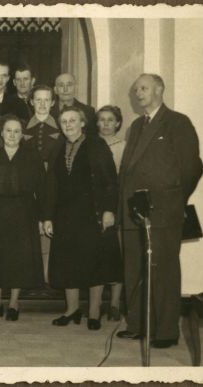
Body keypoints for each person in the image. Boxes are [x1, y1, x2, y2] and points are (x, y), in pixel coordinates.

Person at [117, 74, 203, 348]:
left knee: (163, 270)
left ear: (159, 90)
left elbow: (192, 168)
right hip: (135, 211)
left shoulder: (178, 123)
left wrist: (173, 200)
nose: (138, 93)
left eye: (143, 88)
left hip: (164, 211)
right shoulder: (137, 125)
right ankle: (138, 324)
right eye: (135, 89)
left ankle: (165, 331)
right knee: (135, 268)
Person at [43, 106, 119, 331]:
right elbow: (50, 185)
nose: (68, 125)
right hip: (64, 214)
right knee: (67, 262)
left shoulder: (97, 145)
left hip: (91, 214)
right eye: (64, 121)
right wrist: (47, 216)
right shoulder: (57, 147)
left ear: (83, 123)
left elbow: (110, 181)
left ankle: (94, 313)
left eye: (72, 120)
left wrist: (108, 210)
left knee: (93, 262)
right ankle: (72, 309)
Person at [0, 115, 47, 321]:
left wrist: (43, 217)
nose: (12, 135)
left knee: (18, 259)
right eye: (8, 131)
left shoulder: (32, 156)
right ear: (1, 133)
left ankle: (14, 303)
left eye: (16, 131)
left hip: (23, 212)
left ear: (22, 134)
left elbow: (42, 188)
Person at [23, 85, 63, 284]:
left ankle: (48, 275)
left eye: (46, 100)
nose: (42, 104)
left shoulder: (61, 129)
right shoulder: (22, 128)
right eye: (38, 100)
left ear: (53, 103)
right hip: (28, 184)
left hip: (51, 183)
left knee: (49, 224)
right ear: (31, 102)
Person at [97, 105, 126, 321]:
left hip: (115, 204)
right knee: (96, 253)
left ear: (117, 123)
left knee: (115, 253)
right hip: (94, 204)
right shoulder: (90, 144)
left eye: (110, 120)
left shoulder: (124, 146)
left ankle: (115, 303)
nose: (105, 124)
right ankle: (95, 305)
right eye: (102, 119)